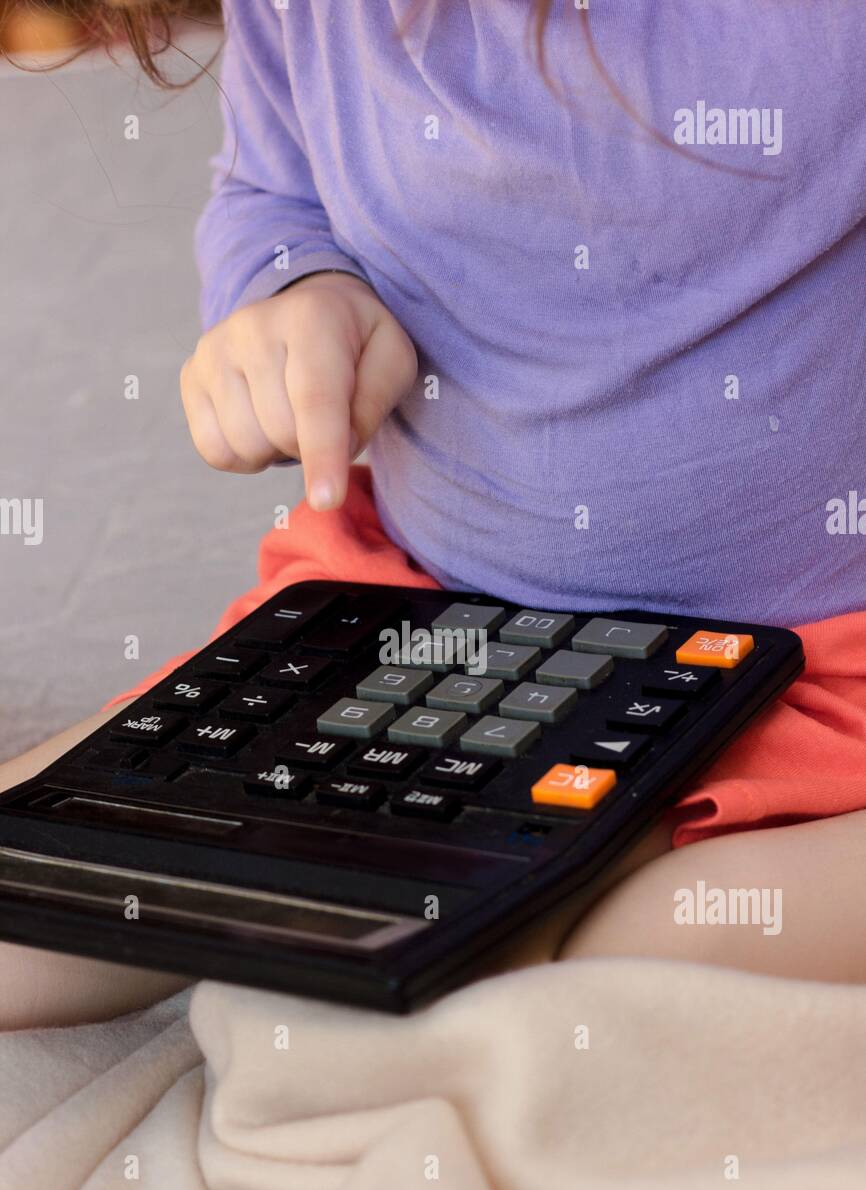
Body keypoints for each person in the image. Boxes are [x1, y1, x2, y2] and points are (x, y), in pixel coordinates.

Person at [1, 0, 865, 1028]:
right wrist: (292, 294)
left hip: (815, 660)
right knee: (44, 896)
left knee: (590, 966)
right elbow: (272, 190)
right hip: (423, 625)